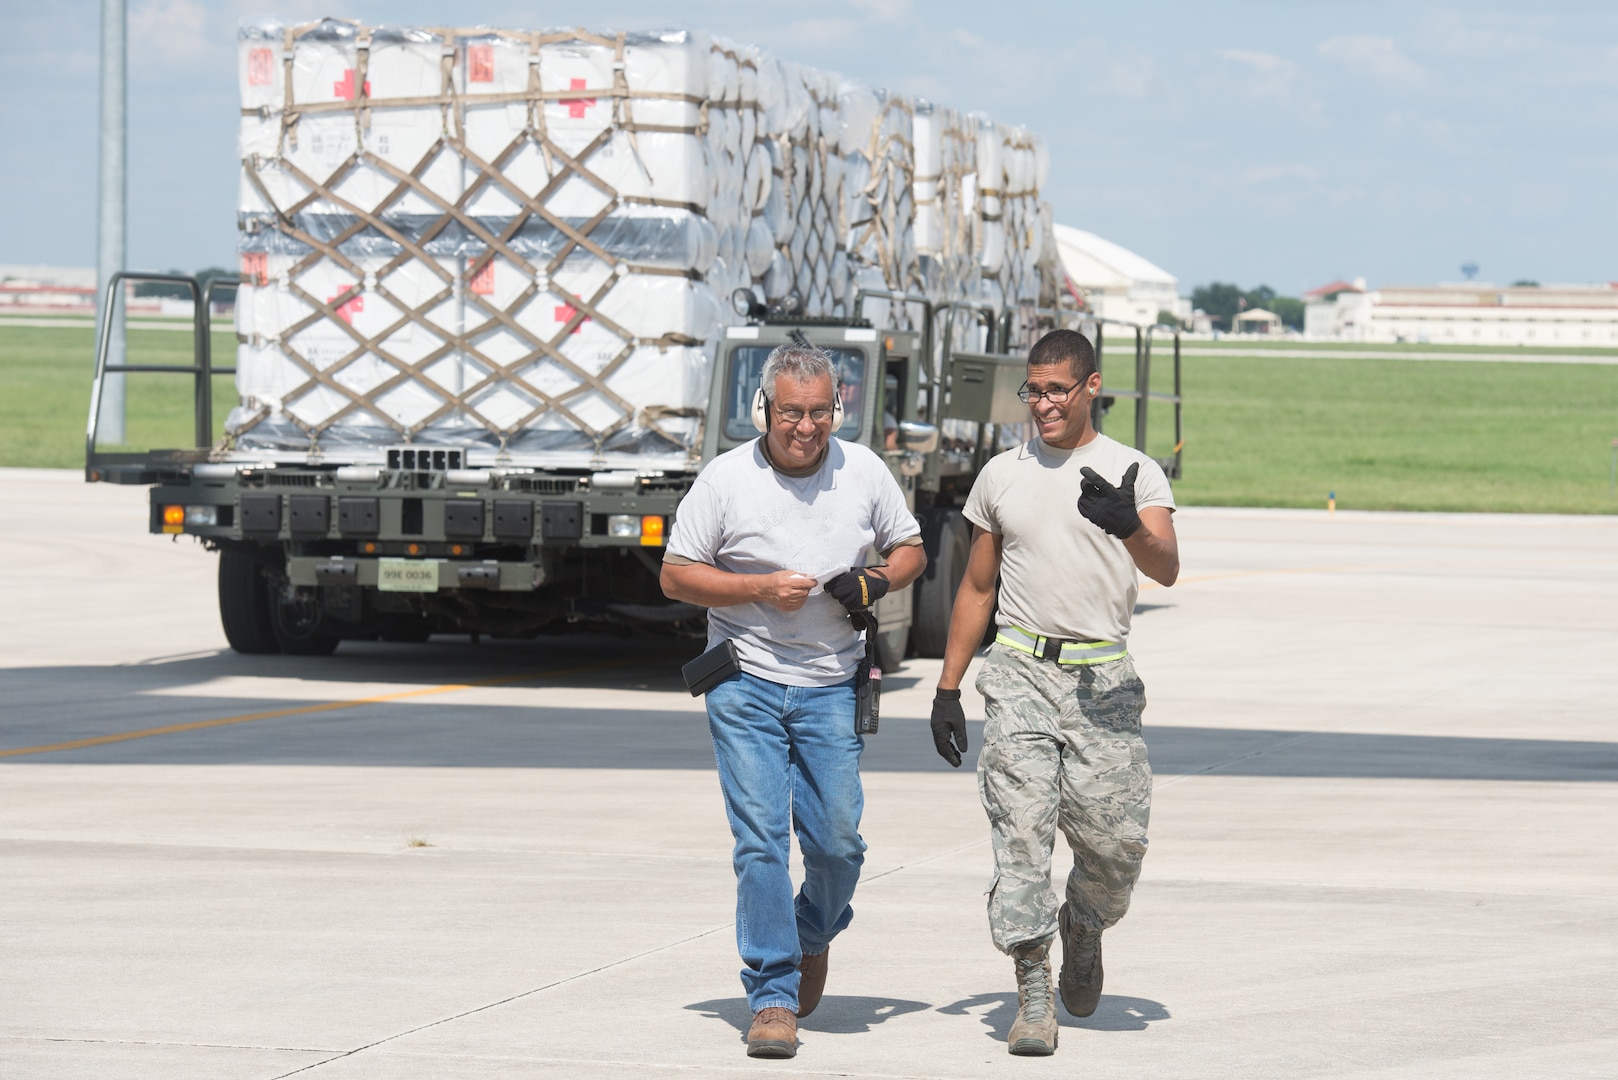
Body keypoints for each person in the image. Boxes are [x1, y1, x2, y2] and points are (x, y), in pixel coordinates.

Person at [661, 342, 926, 1059]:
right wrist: (756, 587)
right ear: (763, 410)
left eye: (817, 413)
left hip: (831, 685)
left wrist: (877, 582)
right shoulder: (724, 481)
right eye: (790, 414)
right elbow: (676, 576)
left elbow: (910, 549)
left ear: (836, 407)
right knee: (760, 844)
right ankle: (773, 994)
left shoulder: (864, 470)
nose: (804, 428)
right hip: (743, 681)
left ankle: (810, 933)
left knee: (839, 843)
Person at [928, 328, 1179, 1056]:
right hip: (1019, 673)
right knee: (1021, 835)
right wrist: (949, 687)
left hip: (1103, 678)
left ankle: (1086, 925)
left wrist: (1129, 526)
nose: (1041, 405)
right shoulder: (1001, 475)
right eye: (1032, 391)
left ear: (1091, 387)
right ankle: (1032, 986)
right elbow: (978, 586)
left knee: (1116, 846)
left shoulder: (1133, 471)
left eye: (1055, 391)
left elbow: (1164, 566)